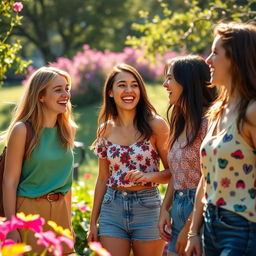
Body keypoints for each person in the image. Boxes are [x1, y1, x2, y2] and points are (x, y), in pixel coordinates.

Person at [185, 22, 256, 256]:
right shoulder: (218, 110)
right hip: (210, 226)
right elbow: (206, 177)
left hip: (244, 226)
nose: (208, 60)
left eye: (215, 53)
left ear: (236, 59)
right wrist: (194, 232)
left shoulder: (252, 111)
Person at [87, 63, 170, 256]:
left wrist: (147, 177)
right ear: (110, 92)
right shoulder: (104, 129)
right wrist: (93, 221)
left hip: (148, 208)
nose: (129, 90)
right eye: (122, 85)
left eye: (134, 85)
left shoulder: (156, 125)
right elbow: (102, 178)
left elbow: (172, 172)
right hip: (112, 208)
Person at [2, 66, 76, 254]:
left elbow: (66, 184)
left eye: (67, 88)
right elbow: (9, 182)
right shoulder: (22, 130)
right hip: (28, 213)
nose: (65, 94)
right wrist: (11, 227)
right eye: (58, 89)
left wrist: (69, 224)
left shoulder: (67, 131)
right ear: (40, 96)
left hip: (60, 213)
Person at [158, 56, 217, 256]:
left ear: (187, 82)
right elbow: (176, 173)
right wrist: (165, 209)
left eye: (170, 78)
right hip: (178, 206)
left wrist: (190, 229)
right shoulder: (180, 122)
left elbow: (209, 180)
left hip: (199, 211)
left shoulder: (210, 123)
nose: (165, 84)